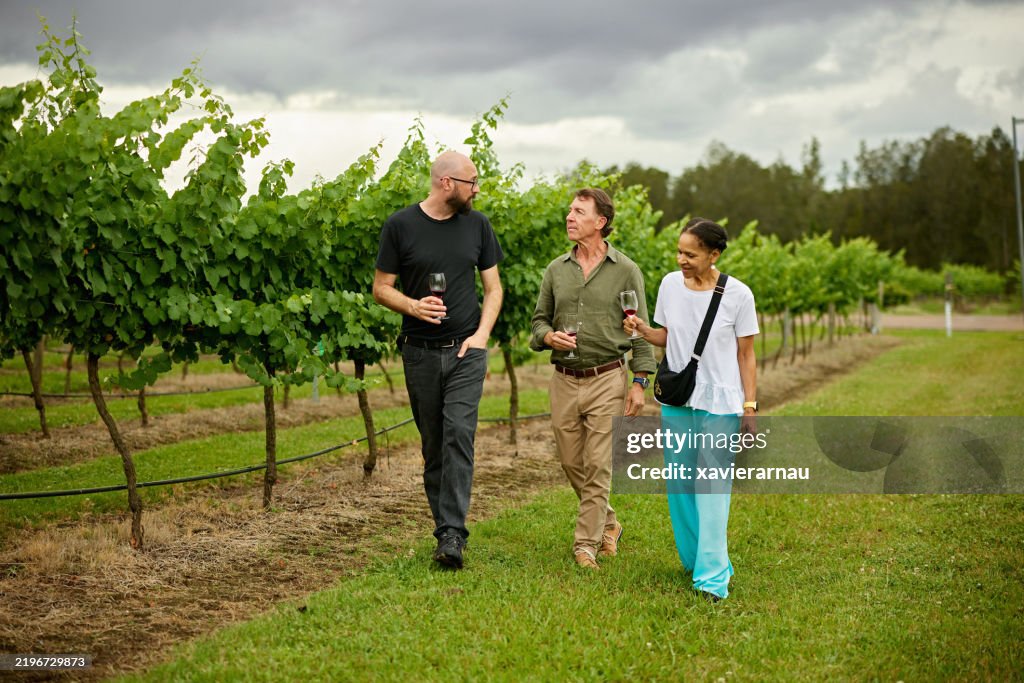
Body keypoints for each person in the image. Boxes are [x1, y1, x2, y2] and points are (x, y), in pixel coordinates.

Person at [372, 151, 504, 570]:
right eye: (472, 182)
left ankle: (452, 534)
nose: (476, 190)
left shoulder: (478, 225)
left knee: (458, 435)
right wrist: (413, 306)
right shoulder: (400, 226)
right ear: (447, 183)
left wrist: (481, 337)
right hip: (420, 354)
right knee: (434, 446)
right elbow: (380, 288)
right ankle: (445, 527)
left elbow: (494, 289)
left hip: (467, 351)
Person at [624, 217, 758, 601]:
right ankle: (696, 559)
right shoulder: (668, 284)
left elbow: (746, 355)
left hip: (721, 401)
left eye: (691, 254)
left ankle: (713, 579)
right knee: (681, 484)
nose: (681, 259)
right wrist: (642, 331)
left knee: (713, 488)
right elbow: (668, 335)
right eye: (679, 251)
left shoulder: (739, 295)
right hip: (679, 400)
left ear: (714, 255)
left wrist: (749, 405)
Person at [530, 188, 657, 570]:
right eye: (570, 210)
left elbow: (639, 328)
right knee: (573, 463)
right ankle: (611, 523)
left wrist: (640, 381)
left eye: (579, 211)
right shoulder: (556, 270)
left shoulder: (626, 270)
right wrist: (548, 336)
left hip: (607, 377)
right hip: (564, 378)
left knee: (598, 463)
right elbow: (538, 322)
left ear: (600, 222)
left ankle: (585, 545)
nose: (569, 216)